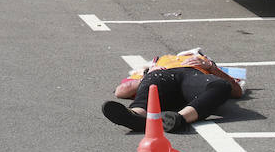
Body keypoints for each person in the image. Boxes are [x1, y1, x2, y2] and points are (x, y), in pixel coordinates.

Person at [102, 48, 244, 133]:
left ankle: (179, 119)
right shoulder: (156, 63)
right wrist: (147, 74)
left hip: (192, 75)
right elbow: (120, 92)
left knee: (221, 85)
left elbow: (236, 90)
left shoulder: (205, 62)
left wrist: (210, 67)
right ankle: (136, 117)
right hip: (163, 75)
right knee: (153, 80)